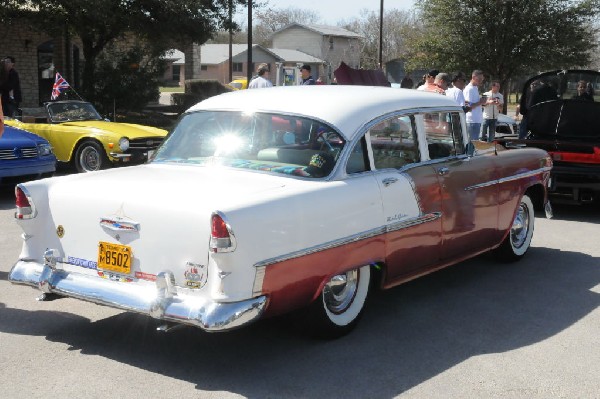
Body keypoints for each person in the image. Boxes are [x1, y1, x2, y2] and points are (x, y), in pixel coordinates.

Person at [463, 70, 487, 141]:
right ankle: (470, 153)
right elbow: (468, 105)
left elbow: (475, 103)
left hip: (476, 120)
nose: (481, 81)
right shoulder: (469, 89)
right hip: (472, 121)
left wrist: (482, 102)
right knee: (472, 144)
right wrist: (480, 102)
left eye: (482, 79)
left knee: (474, 143)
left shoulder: (475, 88)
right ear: (473, 77)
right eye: (479, 79)